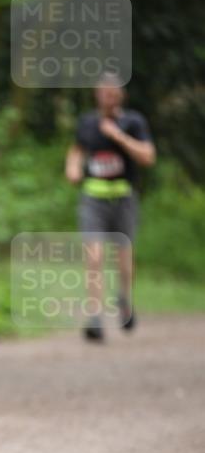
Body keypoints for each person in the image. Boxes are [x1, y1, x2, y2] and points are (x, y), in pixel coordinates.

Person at [65, 73, 156, 341]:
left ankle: (124, 300)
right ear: (97, 94)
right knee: (93, 256)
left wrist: (118, 137)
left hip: (123, 198)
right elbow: (77, 149)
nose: (107, 97)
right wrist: (72, 167)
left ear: (120, 96)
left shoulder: (133, 122)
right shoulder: (87, 123)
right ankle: (95, 316)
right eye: (103, 92)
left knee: (123, 258)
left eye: (112, 93)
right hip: (93, 198)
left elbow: (148, 156)